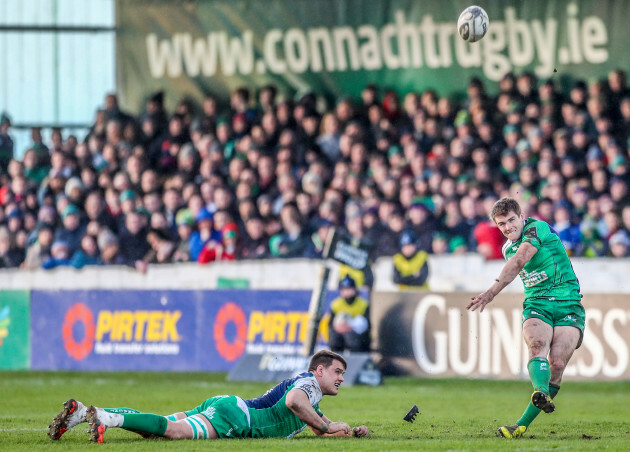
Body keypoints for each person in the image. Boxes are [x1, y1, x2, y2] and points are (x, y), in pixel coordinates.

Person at [47, 350, 369, 442]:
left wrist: (348, 430)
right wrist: (328, 428)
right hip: (237, 418)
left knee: (158, 427)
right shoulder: (308, 385)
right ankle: (105, 419)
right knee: (171, 431)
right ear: (320, 371)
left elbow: (316, 425)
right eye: (338, 371)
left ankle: (85, 412)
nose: (342, 378)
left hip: (230, 406)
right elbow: (294, 403)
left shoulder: (312, 394)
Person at [467, 197, 585, 439]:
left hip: (568, 303)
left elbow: (520, 260)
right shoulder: (505, 249)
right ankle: (536, 400)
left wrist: (490, 293)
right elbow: (515, 260)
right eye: (502, 224)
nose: (508, 227)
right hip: (537, 304)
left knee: (558, 365)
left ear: (521, 217)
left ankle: (527, 416)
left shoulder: (537, 228)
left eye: (512, 220)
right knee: (537, 345)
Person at [328, 275, 371, 353]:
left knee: (352, 338)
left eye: (349, 289)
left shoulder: (363, 304)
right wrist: (338, 328)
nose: (347, 292)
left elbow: (366, 325)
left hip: (357, 334)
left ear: (354, 289)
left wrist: (351, 326)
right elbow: (330, 325)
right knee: (334, 339)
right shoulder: (336, 304)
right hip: (340, 333)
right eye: (345, 290)